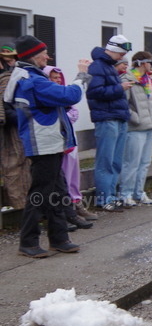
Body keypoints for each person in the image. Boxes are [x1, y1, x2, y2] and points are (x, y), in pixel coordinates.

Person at [4, 36, 89, 257]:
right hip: (43, 144)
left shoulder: (30, 77)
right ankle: (28, 243)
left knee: (58, 192)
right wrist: (81, 75)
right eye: (44, 53)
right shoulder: (32, 80)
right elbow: (70, 94)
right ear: (33, 55)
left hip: (50, 143)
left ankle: (59, 238)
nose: (47, 56)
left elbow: (60, 100)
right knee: (40, 194)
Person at [86, 35, 132, 212]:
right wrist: (120, 88)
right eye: (121, 53)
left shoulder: (108, 66)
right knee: (106, 161)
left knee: (115, 161)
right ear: (114, 50)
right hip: (106, 118)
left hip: (117, 117)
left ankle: (111, 195)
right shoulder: (97, 66)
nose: (122, 57)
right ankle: (104, 198)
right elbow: (95, 92)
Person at [43, 66, 92, 230]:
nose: (56, 80)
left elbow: (73, 113)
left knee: (73, 175)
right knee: (60, 178)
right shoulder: (48, 96)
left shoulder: (64, 94)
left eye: (58, 77)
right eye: (53, 77)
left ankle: (75, 204)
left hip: (70, 142)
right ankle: (63, 211)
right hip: (57, 143)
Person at [119, 52, 152, 206]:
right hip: (136, 128)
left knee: (144, 163)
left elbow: (150, 101)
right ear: (143, 63)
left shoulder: (148, 80)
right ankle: (126, 194)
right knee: (132, 163)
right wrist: (136, 118)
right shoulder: (128, 79)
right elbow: (123, 104)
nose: (151, 65)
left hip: (149, 126)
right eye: (150, 62)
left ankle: (139, 192)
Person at [0, 45, 31, 212]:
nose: (9, 63)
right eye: (6, 60)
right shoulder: (5, 80)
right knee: (13, 167)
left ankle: (32, 210)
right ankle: (22, 209)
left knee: (27, 166)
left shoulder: (19, 77)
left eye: (12, 59)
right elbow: (6, 108)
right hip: (11, 130)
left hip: (23, 128)